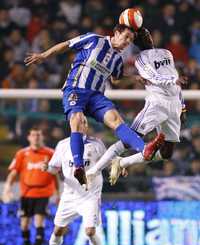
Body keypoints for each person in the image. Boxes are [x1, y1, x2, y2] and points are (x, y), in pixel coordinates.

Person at [24, 24, 165, 187]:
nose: (127, 42)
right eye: (126, 37)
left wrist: (134, 78)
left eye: (131, 40)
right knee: (79, 121)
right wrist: (44, 55)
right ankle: (79, 167)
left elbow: (116, 80)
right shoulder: (93, 39)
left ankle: (144, 149)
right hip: (76, 88)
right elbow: (66, 45)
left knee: (116, 120)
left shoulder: (117, 59)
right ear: (116, 32)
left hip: (96, 96)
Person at [86, 27, 188, 185]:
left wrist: (182, 105)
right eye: (143, 35)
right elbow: (152, 76)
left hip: (174, 103)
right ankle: (94, 170)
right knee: (129, 140)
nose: (148, 36)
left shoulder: (166, 53)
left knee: (167, 152)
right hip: (157, 103)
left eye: (148, 34)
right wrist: (171, 81)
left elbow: (175, 79)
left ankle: (122, 162)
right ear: (139, 41)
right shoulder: (140, 59)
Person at [37, 118, 107, 245]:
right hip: (69, 195)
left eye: (85, 122)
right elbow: (54, 169)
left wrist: (119, 166)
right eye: (81, 121)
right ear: (72, 124)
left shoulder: (96, 144)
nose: (84, 124)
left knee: (89, 231)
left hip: (90, 196)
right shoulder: (62, 145)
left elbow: (109, 161)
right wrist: (46, 168)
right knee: (57, 230)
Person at [2, 127, 59, 245]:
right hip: (26, 193)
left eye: (38, 135)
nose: (36, 137)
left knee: (39, 221)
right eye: (33, 135)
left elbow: (55, 174)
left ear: (42, 137)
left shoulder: (50, 153)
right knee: (24, 224)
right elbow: (13, 173)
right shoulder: (22, 153)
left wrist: (58, 192)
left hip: (43, 193)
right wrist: (7, 188)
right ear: (29, 137)